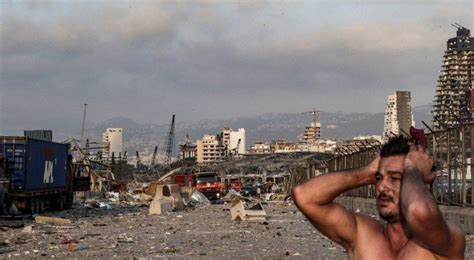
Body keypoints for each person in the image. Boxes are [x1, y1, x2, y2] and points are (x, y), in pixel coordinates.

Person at [292, 136, 465, 259]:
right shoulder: (363, 235)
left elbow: (417, 211)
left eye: (395, 178)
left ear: (422, 184)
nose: (382, 187)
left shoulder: (443, 242)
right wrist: (366, 173)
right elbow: (304, 195)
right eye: (378, 178)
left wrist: (413, 168)